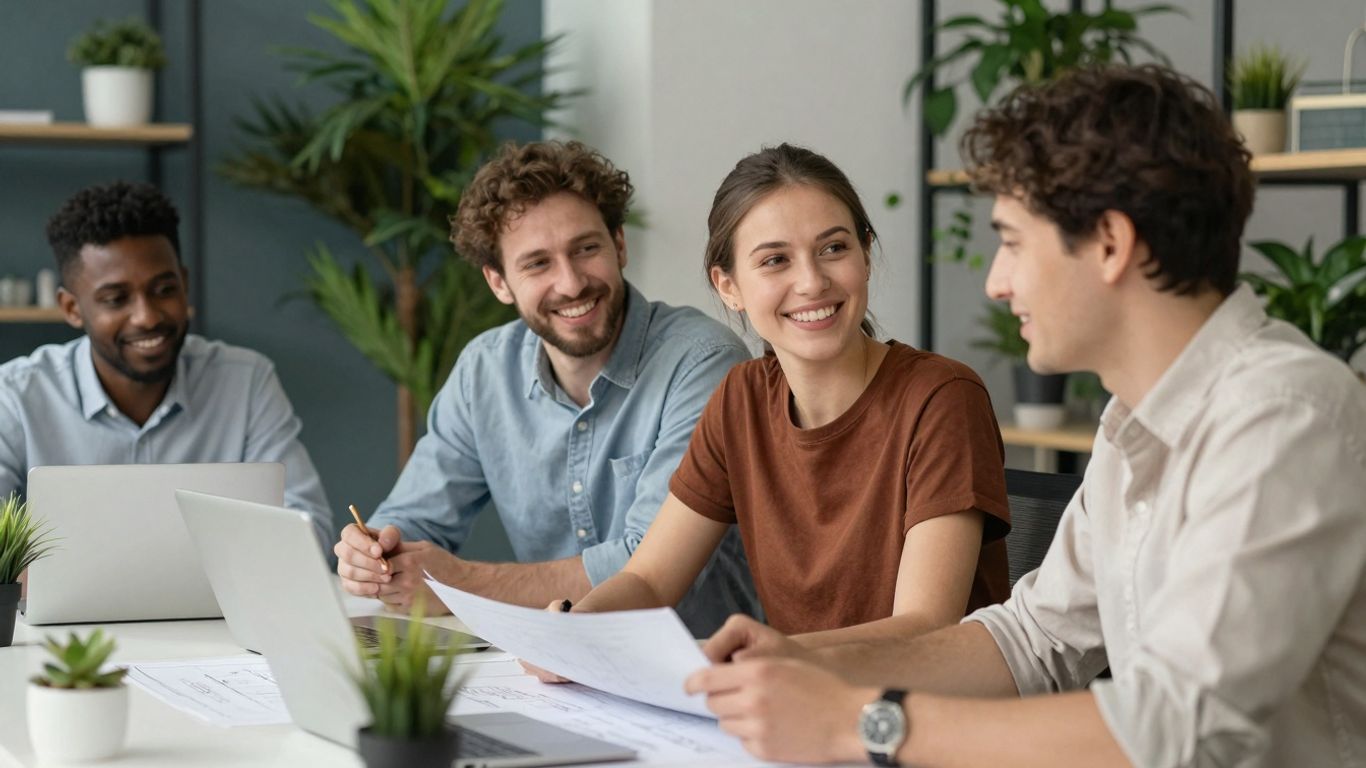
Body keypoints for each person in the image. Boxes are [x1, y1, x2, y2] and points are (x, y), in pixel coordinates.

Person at [682, 65, 1366, 767]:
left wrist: (858, 723)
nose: (996, 282)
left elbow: (1183, 727)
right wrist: (803, 665)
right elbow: (1035, 640)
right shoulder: (1134, 420)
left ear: (1110, 243)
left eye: (1012, 242)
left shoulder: (1284, 417)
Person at [558, 144, 1010, 646]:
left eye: (834, 249)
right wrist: (574, 628)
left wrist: (753, 656)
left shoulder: (942, 398)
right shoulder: (741, 399)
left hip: (919, 694)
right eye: (775, 260)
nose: (812, 282)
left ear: (865, 254)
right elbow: (648, 580)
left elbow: (925, 627)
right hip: (794, 689)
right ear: (728, 286)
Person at [333, 140, 759, 637]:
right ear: (499, 283)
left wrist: (461, 582)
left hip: (702, 661)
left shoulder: (703, 361)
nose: (571, 283)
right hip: (550, 663)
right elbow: (413, 520)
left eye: (586, 249)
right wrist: (376, 555)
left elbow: (646, 565)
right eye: (537, 264)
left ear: (619, 245)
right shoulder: (484, 371)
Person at [0, 181, 333, 547]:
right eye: (116, 299)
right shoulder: (15, 397)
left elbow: (309, 528)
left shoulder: (247, 382)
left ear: (184, 284)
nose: (146, 317)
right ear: (71, 308)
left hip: (219, 590)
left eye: (164, 290)